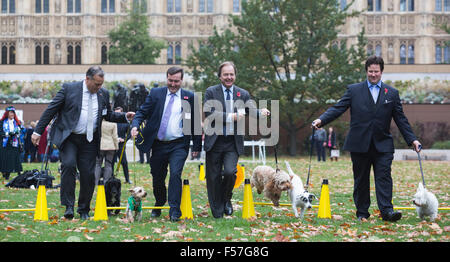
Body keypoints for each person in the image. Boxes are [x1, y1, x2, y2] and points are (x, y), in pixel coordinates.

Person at [312, 55, 421, 222]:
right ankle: (362, 212)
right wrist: (321, 120)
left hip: (383, 145)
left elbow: (400, 119)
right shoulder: (354, 90)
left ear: (382, 72)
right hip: (359, 144)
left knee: (384, 178)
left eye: (376, 71)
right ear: (366, 71)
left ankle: (387, 212)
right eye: (370, 71)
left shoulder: (391, 93)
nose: (373, 75)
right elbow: (338, 108)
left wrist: (412, 139)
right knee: (361, 180)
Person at [31, 66, 135, 220]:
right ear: (87, 79)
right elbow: (51, 109)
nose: (99, 87)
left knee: (88, 174)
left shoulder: (103, 94)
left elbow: (108, 115)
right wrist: (38, 131)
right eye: (97, 84)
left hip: (90, 140)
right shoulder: (69, 89)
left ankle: (84, 209)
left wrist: (125, 117)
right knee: (69, 165)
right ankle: (68, 206)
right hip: (69, 137)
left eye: (101, 84)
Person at [131, 66, 202, 222]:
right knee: (157, 176)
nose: (173, 84)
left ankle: (175, 210)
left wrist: (197, 147)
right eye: (170, 80)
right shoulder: (156, 94)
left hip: (179, 144)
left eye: (176, 81)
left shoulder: (189, 97)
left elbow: (196, 123)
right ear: (167, 78)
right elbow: (142, 112)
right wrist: (135, 125)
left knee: (175, 174)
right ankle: (159, 201)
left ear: (181, 80)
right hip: (158, 144)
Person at [203, 61, 270, 218]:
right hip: (214, 141)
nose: (229, 77)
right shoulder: (211, 92)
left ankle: (226, 199)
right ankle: (218, 212)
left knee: (229, 172)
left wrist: (261, 112)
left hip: (232, 143)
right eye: (225, 74)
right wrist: (230, 117)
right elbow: (210, 113)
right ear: (220, 76)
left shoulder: (242, 93)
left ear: (235, 76)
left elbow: (251, 111)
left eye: (231, 74)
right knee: (213, 177)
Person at [0, 106, 23, 180]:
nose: (12, 114)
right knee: (5, 159)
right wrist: (7, 134)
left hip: (14, 143)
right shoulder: (2, 122)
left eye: (13, 112)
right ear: (7, 113)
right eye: (10, 112)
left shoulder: (17, 122)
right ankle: (5, 173)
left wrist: (17, 132)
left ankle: (18, 173)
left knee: (14, 158)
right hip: (5, 143)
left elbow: (20, 131)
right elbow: (1, 132)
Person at [94, 120, 119, 185]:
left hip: (100, 145)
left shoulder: (98, 122)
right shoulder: (113, 123)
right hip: (110, 146)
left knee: (97, 164)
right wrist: (116, 146)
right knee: (108, 164)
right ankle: (106, 182)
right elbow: (115, 136)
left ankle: (96, 182)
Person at [113, 106, 131, 184]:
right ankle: (111, 178)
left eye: (119, 113)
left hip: (121, 146)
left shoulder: (125, 122)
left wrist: (124, 140)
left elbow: (129, 133)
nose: (117, 115)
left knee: (124, 162)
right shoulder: (112, 122)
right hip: (112, 144)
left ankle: (127, 179)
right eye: (116, 113)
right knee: (111, 162)